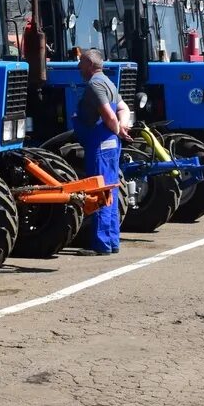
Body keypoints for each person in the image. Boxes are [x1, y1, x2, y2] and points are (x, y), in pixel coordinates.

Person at [72, 49, 132, 256]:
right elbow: (123, 109)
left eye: (81, 62)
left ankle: (101, 244)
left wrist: (118, 130)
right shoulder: (109, 82)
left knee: (99, 191)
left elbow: (109, 116)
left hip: (100, 144)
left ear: (89, 64)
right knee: (111, 191)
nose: (78, 67)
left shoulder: (95, 84)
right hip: (111, 144)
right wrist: (122, 129)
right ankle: (112, 241)